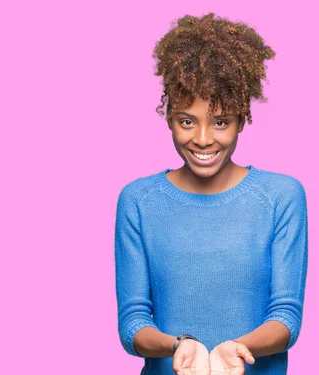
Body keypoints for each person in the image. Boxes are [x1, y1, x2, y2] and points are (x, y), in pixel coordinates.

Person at [114, 13, 308, 375]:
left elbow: (286, 317)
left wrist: (239, 348)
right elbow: (132, 323)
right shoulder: (138, 201)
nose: (203, 139)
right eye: (187, 121)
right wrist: (179, 345)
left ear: (242, 119)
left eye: (221, 122)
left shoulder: (281, 197)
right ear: (169, 116)